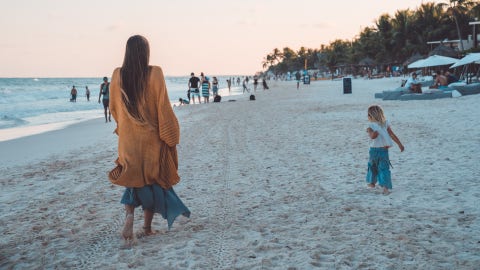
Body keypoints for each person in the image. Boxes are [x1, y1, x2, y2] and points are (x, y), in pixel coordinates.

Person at [108, 35, 190, 241]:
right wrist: (169, 132)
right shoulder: (155, 73)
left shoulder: (117, 74)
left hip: (128, 140)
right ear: (146, 51)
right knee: (152, 182)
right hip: (152, 139)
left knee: (131, 179)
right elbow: (162, 106)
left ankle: (129, 217)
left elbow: (114, 108)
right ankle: (146, 227)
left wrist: (125, 126)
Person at [366, 105, 404, 195]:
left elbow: (392, 134)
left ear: (370, 115)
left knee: (384, 169)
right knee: (373, 167)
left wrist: (399, 144)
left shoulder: (385, 123)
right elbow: (372, 137)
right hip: (374, 150)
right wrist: (375, 133)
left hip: (383, 151)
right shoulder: (370, 125)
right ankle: (372, 184)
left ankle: (385, 187)